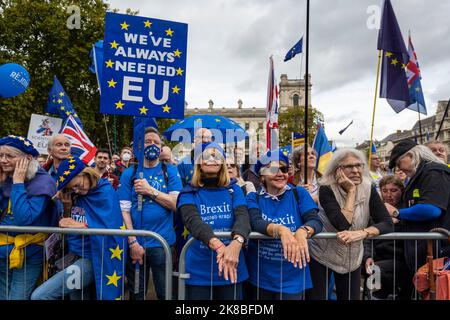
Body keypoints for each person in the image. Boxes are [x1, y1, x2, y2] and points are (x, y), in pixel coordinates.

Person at [31, 156, 125, 300]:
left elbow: (109, 230)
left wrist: (79, 225)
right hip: (74, 255)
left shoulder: (105, 192)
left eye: (78, 184)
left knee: (40, 296)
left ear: (86, 174)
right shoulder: (76, 195)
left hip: (94, 258)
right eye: (71, 188)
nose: (76, 190)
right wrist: (67, 207)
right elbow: (72, 220)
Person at [307, 148, 393, 300]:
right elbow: (342, 224)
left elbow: (386, 223)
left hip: (352, 258)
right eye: (349, 166)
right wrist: (352, 191)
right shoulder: (326, 188)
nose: (355, 170)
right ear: (337, 170)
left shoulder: (368, 188)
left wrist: (362, 233)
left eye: (359, 165)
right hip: (322, 254)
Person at [177, 142, 250, 300]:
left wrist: (236, 244)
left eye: (216, 155)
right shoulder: (188, 192)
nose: (211, 159)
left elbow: (243, 217)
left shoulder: (234, 189)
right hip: (199, 272)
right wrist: (220, 247)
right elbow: (193, 222)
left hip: (232, 267)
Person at [245, 149, 322, 300]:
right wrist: (281, 230)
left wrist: (302, 231)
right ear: (262, 176)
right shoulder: (254, 198)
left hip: (293, 276)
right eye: (274, 169)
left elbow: (315, 220)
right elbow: (255, 222)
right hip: (261, 276)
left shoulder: (298, 193)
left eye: (284, 169)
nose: (280, 173)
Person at [117, 127, 182, 300]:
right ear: (139, 146)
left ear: (161, 148)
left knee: (165, 292)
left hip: (163, 244)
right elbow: (124, 210)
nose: (152, 145)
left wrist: (149, 190)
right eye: (147, 141)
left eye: (156, 142)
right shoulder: (129, 174)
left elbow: (176, 204)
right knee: (137, 294)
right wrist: (133, 243)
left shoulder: (170, 171)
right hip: (136, 245)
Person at [0, 135, 57, 300]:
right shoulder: (4, 175)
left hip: (28, 254)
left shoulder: (43, 182)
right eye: (0, 155)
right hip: (2, 251)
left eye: (9, 156)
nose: (3, 160)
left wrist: (18, 183)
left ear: (28, 158)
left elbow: (25, 219)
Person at [387, 140, 450, 285]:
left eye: (399, 163)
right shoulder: (421, 174)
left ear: (411, 155)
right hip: (427, 255)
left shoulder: (435, 171)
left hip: (439, 254)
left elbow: (431, 209)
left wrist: (397, 213)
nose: (400, 168)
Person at [363, 176, 408, 299]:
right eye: (384, 190)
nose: (389, 194)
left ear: (401, 191)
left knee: (377, 271)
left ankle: (382, 294)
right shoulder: (375, 211)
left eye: (394, 190)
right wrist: (368, 256)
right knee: (369, 268)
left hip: (400, 259)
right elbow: (367, 239)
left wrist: (399, 219)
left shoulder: (407, 211)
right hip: (378, 257)